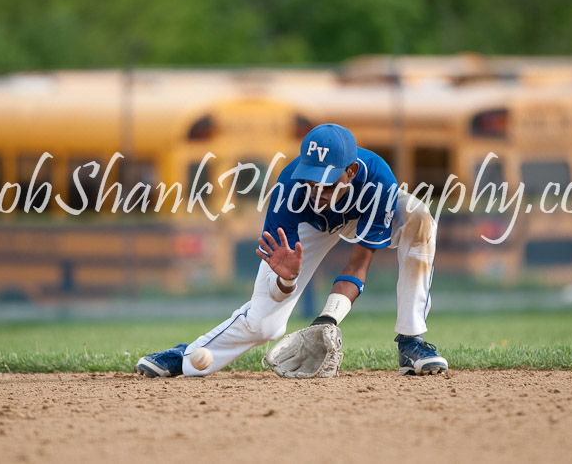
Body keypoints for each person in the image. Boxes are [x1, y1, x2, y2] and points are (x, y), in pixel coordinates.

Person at [135, 123, 447, 377]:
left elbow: (357, 266)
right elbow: (277, 291)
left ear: (351, 171)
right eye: (312, 180)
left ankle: (411, 342)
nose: (317, 190)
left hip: (360, 214)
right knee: (264, 323)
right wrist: (287, 279)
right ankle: (186, 355)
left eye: (327, 183)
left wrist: (327, 320)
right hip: (311, 225)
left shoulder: (378, 180)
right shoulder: (288, 189)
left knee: (419, 219)